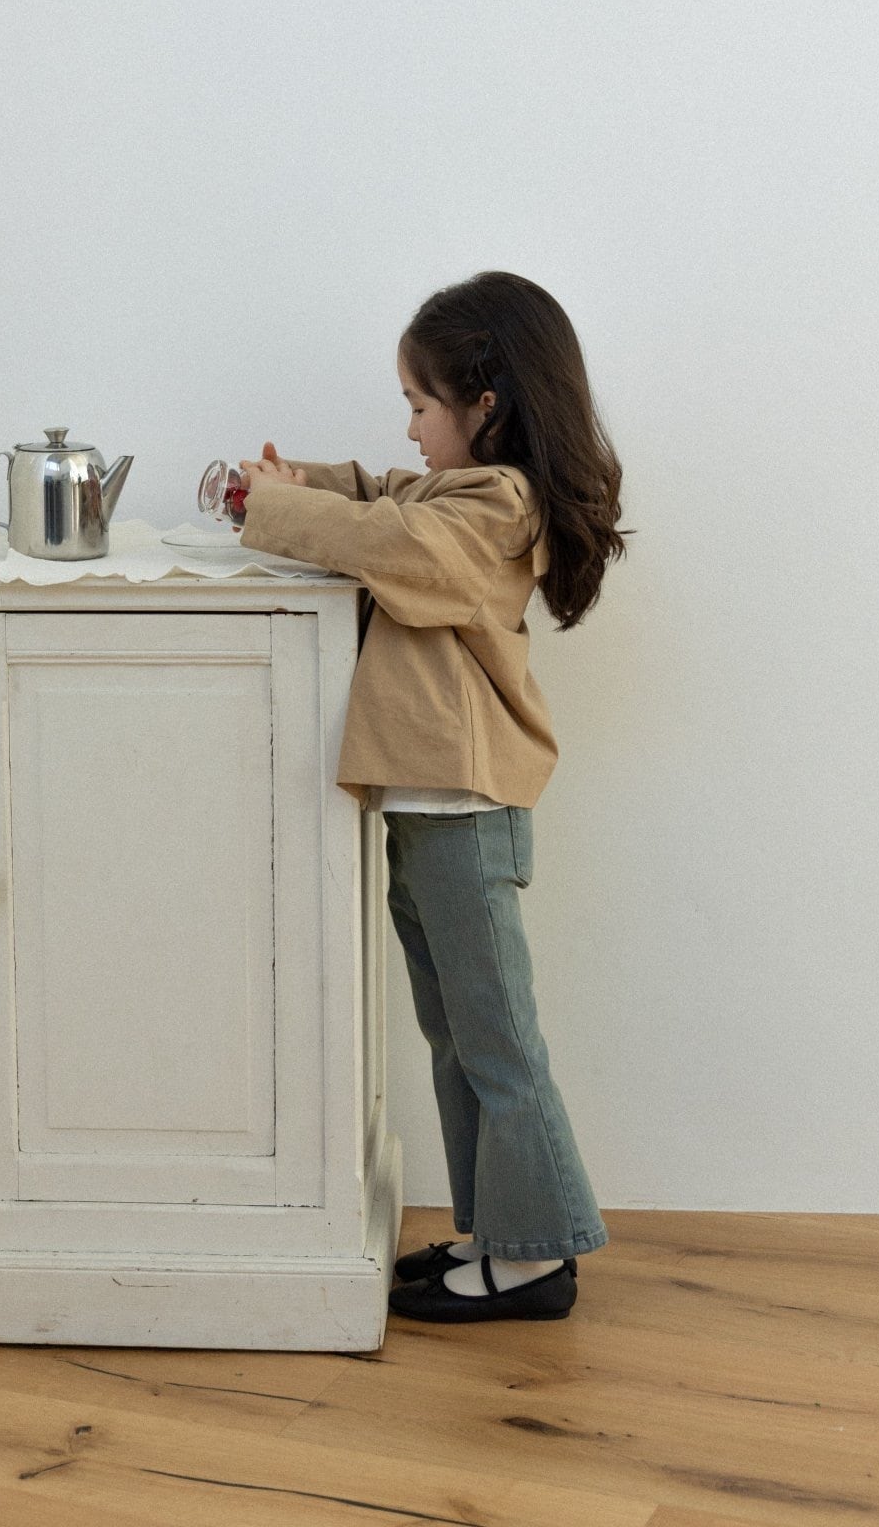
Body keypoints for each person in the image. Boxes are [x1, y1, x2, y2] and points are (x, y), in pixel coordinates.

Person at [236, 269, 634, 1324]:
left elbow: (392, 539)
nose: (409, 429)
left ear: (484, 406)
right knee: (457, 1036)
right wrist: (292, 481)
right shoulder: (456, 492)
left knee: (498, 1040)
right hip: (426, 806)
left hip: (465, 807)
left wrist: (275, 506)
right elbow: (379, 495)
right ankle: (498, 1232)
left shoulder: (496, 505)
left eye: (420, 404)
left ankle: (536, 1258)